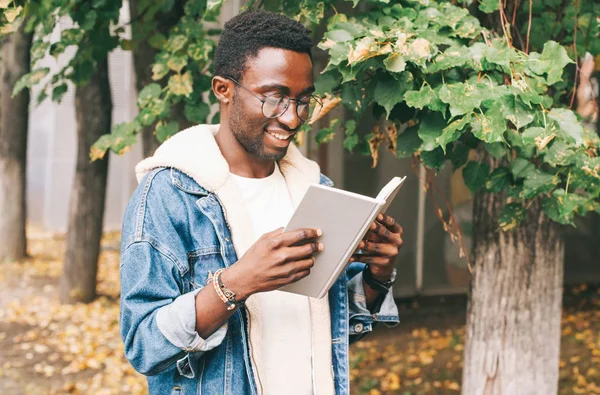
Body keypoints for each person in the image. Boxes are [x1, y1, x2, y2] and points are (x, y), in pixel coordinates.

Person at [119, 10, 403, 395]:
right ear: (223, 89)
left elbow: (329, 330)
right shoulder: (169, 195)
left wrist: (378, 274)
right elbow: (143, 344)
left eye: (304, 101)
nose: (292, 119)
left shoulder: (314, 189)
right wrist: (237, 283)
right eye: (275, 99)